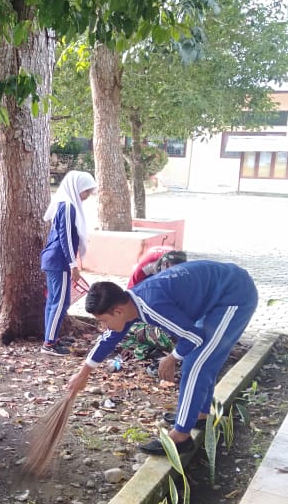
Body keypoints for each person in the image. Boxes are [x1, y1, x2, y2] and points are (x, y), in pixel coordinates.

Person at [65, 260, 258, 456]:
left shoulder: (152, 306)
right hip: (217, 294)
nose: (104, 326)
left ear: (118, 311)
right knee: (198, 360)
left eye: (104, 321)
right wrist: (84, 372)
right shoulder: (131, 303)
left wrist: (171, 358)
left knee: (196, 365)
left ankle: (180, 437)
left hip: (234, 295)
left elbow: (193, 338)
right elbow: (109, 338)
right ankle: (200, 415)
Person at [40, 171, 97, 356]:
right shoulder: (67, 206)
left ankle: (51, 338)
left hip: (55, 259)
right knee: (60, 303)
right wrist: (73, 265)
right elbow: (64, 238)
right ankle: (49, 344)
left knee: (54, 301)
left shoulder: (65, 204)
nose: (87, 195)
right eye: (86, 191)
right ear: (77, 188)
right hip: (59, 260)